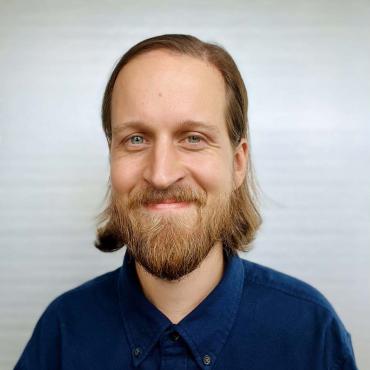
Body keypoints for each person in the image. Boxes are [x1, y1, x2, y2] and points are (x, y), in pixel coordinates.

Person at [14, 34, 358, 370]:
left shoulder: (310, 333)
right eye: (135, 139)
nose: (161, 174)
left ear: (237, 164)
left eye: (193, 138)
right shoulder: (62, 331)